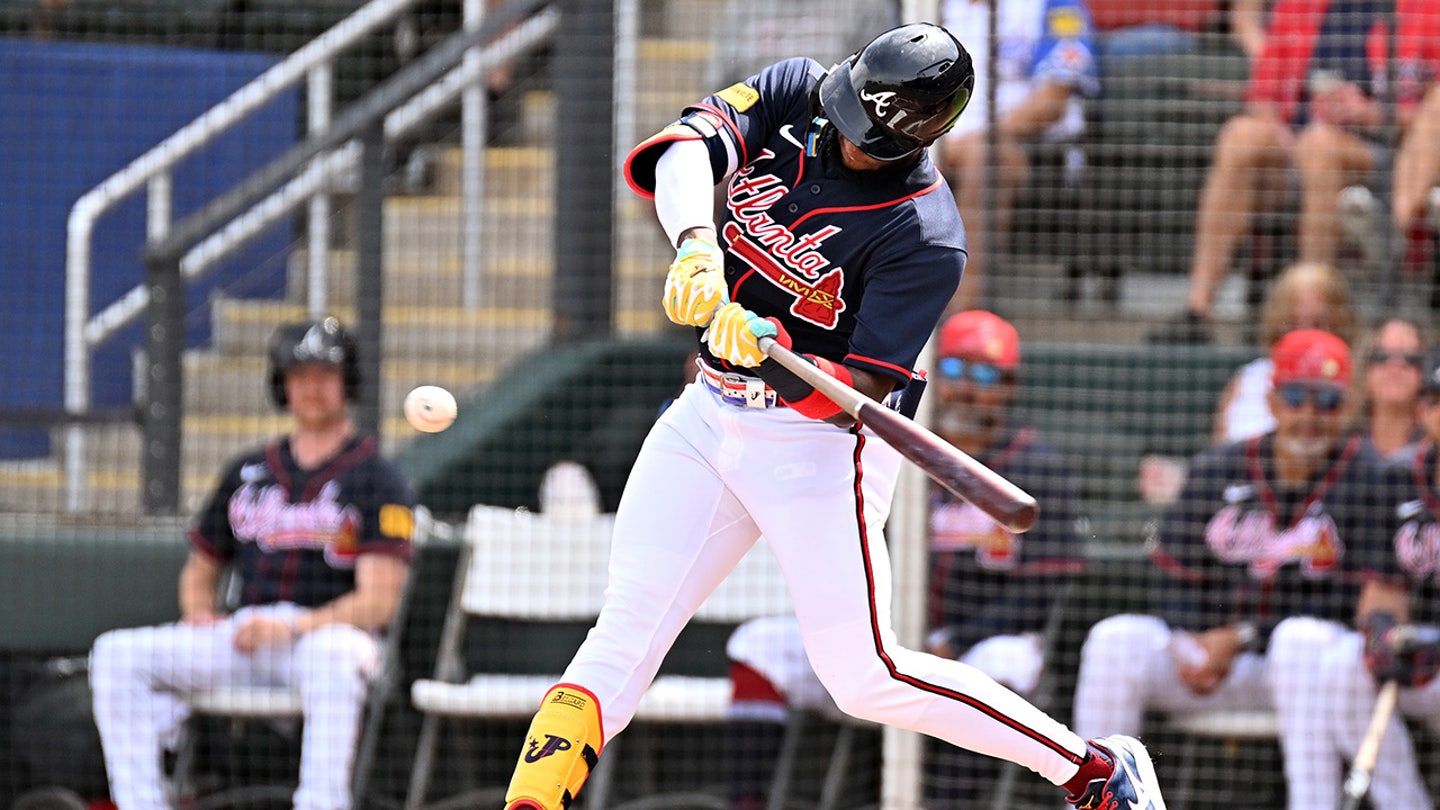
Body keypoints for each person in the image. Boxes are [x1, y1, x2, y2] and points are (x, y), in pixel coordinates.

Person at [501, 23, 1167, 810]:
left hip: (818, 446)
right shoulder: (796, 89)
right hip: (705, 418)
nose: (843, 135)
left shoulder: (925, 235)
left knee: (864, 676)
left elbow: (857, 394)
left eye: (864, 134)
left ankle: (1094, 771)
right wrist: (696, 245)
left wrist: (770, 350)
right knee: (623, 633)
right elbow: (683, 149)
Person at [722, 311, 1085, 809]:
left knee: (997, 664)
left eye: (983, 374)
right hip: (882, 633)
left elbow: (1046, 587)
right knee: (758, 644)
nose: (965, 389)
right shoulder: (888, 446)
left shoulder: (1036, 465)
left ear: (1008, 388)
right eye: (953, 370)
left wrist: (958, 639)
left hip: (985, 640)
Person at [89, 317, 416, 810]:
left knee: (333, 658)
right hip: (249, 634)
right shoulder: (247, 471)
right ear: (281, 384)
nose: (311, 387)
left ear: (347, 382)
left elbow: (379, 602)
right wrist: (199, 612)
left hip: (330, 638)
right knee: (117, 654)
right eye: (299, 375)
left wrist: (295, 627)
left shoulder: (378, 478)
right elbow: (200, 569)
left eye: (324, 374)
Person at [1073, 328, 1392, 810]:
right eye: (1296, 397)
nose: (1309, 415)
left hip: (1301, 672)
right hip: (1211, 662)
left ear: (1346, 407)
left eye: (1326, 401)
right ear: (1272, 399)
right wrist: (1194, 641)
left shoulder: (1369, 476)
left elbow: (1350, 600)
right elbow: (1172, 574)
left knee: (1300, 640)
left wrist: (1241, 636)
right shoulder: (1218, 468)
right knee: (1113, 639)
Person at [1150, 0, 1410, 344]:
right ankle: (1198, 310)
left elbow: (1430, 115)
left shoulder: (1414, 8)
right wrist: (1279, 131)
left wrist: (1368, 113)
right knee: (1241, 135)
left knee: (1320, 146)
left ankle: (1311, 316)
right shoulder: (1300, 6)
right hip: (1297, 152)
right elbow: (1262, 95)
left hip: (1382, 160)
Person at [1284, 349, 1440, 810]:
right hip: (1427, 658)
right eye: (1437, 401)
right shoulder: (1400, 479)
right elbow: (1383, 591)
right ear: (1422, 411)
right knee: (1344, 666)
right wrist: (1383, 634)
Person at [936, 0, 1100, 312]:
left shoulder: (1054, 5)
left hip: (1026, 145)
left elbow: (1052, 101)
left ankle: (958, 317)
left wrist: (973, 138)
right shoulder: (935, 7)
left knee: (985, 158)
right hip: (935, 139)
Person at [1210, 260, 1359, 445]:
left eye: (1318, 324)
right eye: (1295, 324)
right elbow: (1220, 448)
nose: (1305, 336)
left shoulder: (1360, 384)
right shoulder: (1249, 379)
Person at [703, 0, 897, 90]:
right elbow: (718, 84)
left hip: (832, 130)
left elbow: (875, 79)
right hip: (755, 128)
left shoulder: (865, 5)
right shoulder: (744, 7)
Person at [1351, 317, 1426, 459]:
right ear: (1364, 370)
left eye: (1410, 358)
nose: (1396, 366)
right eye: (1382, 356)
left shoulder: (1433, 448)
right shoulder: (1342, 448)